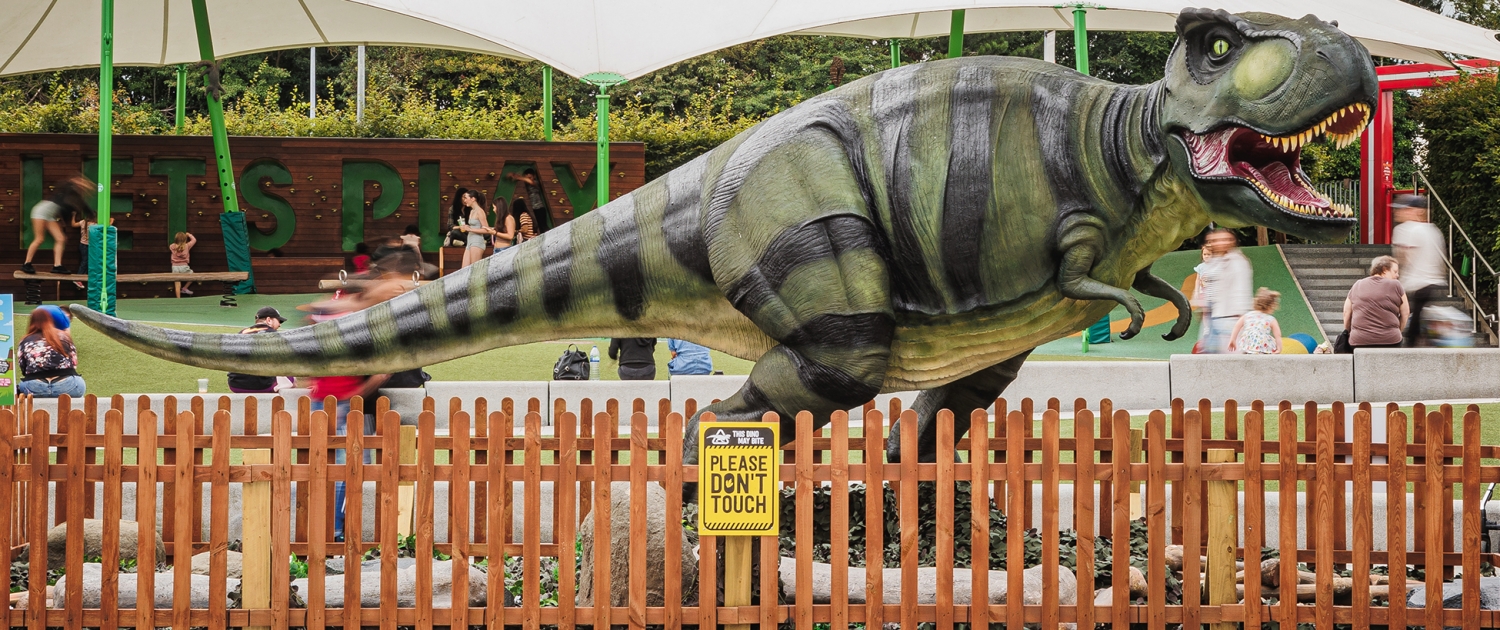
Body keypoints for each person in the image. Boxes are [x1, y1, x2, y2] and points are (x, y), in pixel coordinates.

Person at [305, 288, 390, 541]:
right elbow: (374, 375)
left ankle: (323, 528)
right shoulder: (351, 331)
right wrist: (373, 382)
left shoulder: (320, 330)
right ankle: (336, 530)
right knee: (350, 468)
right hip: (342, 405)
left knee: (324, 467)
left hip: (320, 403)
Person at [1391, 194, 1446, 346]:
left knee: (1412, 324)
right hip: (1433, 283)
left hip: (1415, 284)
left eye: (1403, 209)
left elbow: (1401, 258)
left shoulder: (1404, 229)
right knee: (1418, 320)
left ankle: (1410, 349)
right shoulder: (1434, 230)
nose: (1398, 212)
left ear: (1416, 211)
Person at [1198, 229, 1254, 353]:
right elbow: (1207, 287)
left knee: (1230, 355)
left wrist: (1240, 315)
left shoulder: (1238, 261)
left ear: (1232, 242)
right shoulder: (1212, 262)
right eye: (1215, 240)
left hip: (1230, 317)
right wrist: (1204, 307)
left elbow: (1241, 289)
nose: (1220, 243)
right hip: (1212, 316)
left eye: (1225, 239)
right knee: (1208, 354)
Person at [23, 176, 92, 275]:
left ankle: (57, 266)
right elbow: (68, 185)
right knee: (39, 239)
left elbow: (83, 206)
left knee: (61, 239)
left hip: (49, 215)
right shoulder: (68, 190)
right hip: (40, 211)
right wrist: (79, 182)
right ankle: (27, 264)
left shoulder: (75, 196)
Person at [1343, 255, 1410, 350]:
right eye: (1395, 272)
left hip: (1359, 341)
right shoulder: (1396, 285)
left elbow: (1346, 313)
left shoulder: (1357, 284)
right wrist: (1396, 331)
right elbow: (1405, 313)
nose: (1397, 275)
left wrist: (1350, 332)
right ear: (1384, 270)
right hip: (1391, 341)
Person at [17, 306, 84, 398]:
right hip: (68, 386)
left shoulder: (25, 340)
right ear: (50, 320)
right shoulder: (64, 336)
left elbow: (23, 366)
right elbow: (74, 363)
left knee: (21, 387)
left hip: (34, 387)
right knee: (79, 388)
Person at [226, 307, 288, 394]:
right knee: (290, 376)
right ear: (269, 320)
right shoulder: (275, 335)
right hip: (263, 387)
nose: (280, 325)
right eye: (279, 321)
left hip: (235, 385)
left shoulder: (241, 332)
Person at [1228, 288, 1283, 354]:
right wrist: (1279, 348)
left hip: (1248, 342)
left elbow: (1237, 326)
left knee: (1247, 352)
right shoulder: (1271, 319)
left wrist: (1233, 339)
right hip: (1262, 344)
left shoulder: (1247, 315)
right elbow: (1278, 335)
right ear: (1270, 307)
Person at [456, 189, 493, 268]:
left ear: (473, 199)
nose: (464, 200)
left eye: (466, 198)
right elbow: (473, 226)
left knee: (474, 269)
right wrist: (466, 227)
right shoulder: (472, 211)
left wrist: (470, 229)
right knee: (464, 269)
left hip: (477, 241)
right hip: (470, 240)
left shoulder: (480, 211)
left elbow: (487, 230)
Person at [170, 231, 197, 295]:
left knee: (177, 284)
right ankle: (185, 288)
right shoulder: (187, 246)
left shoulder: (172, 246)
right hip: (184, 266)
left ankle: (178, 299)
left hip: (175, 267)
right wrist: (188, 234)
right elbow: (194, 240)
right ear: (185, 240)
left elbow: (174, 245)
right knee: (193, 275)